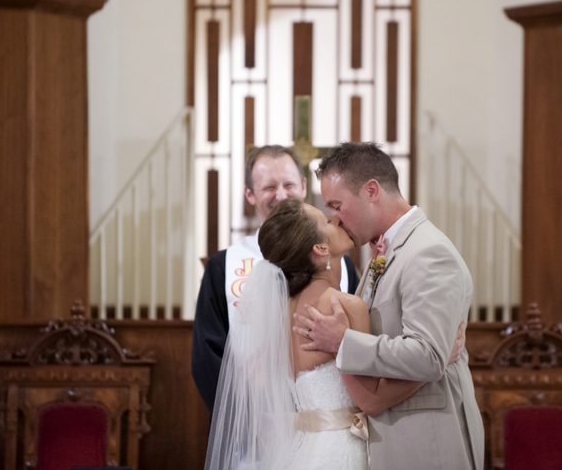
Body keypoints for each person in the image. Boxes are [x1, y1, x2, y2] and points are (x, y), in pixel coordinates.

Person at [293, 142, 485, 470]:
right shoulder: (381, 252)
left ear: (371, 190)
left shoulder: (428, 252)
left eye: (337, 206)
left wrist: (343, 343)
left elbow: (428, 356)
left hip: (427, 443)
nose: (336, 220)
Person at [205, 199, 425, 470]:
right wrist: (431, 367)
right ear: (321, 249)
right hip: (342, 452)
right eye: (328, 221)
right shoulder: (343, 307)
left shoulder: (282, 313)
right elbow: (372, 399)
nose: (337, 218)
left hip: (302, 450)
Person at [191, 145, 360, 412]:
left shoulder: (342, 265)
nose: (281, 195)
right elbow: (207, 356)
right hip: (253, 427)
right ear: (250, 193)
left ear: (304, 187)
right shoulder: (223, 267)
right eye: (269, 187)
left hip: (324, 414)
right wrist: (246, 419)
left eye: (289, 184)